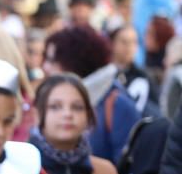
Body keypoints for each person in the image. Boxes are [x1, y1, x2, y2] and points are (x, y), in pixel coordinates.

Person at [43, 24, 141, 163]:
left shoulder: (118, 105)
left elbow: (127, 173)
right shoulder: (50, 97)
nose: (45, 67)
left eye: (52, 60)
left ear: (73, 62)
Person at [110, 25, 158, 116]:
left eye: (134, 42)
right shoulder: (105, 74)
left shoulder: (144, 76)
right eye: (124, 42)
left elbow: (155, 110)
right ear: (113, 44)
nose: (129, 47)